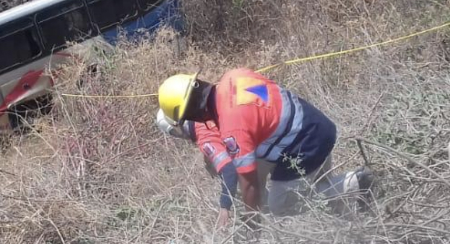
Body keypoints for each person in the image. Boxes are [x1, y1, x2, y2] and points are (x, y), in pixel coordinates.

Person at [156, 69, 372, 228]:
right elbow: (264, 111)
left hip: (305, 145)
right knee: (320, 186)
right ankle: (352, 224)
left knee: (280, 205)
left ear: (193, 115)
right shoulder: (235, 76)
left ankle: (356, 183)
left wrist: (252, 224)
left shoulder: (232, 126)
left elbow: (248, 182)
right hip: (316, 124)